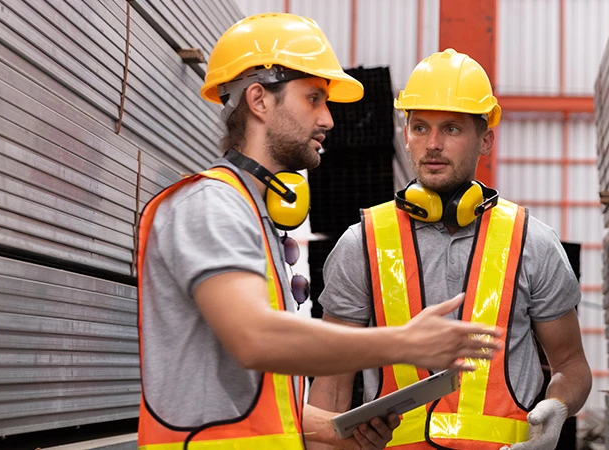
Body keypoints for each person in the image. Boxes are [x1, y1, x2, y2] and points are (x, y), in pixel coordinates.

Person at [135, 16, 501, 450]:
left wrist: (331, 429)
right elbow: (256, 339)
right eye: (313, 99)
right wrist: (401, 343)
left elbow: (250, 397)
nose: (328, 118)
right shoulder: (210, 206)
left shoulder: (255, 214)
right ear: (259, 100)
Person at [309, 49, 592, 450]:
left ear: (486, 139)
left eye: (452, 129)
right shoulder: (362, 244)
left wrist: (558, 408)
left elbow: (571, 365)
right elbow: (331, 385)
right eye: (420, 127)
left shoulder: (532, 242)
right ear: (405, 135)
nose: (433, 144)